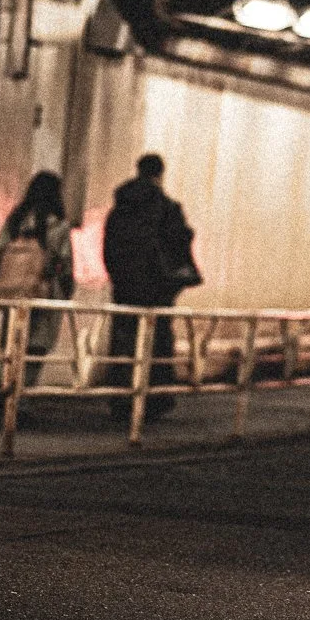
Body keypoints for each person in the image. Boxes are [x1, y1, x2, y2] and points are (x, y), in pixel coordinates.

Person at [100, 152, 198, 421]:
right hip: (158, 290)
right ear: (159, 174)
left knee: (124, 341)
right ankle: (154, 398)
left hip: (125, 287)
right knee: (158, 342)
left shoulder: (120, 210)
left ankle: (121, 397)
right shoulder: (168, 209)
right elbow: (179, 245)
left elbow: (109, 249)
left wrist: (118, 277)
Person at [0, 170, 76, 385]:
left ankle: (4, 392)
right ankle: (21, 399)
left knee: (13, 344)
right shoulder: (58, 226)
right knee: (35, 349)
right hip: (43, 293)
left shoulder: (15, 220)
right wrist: (66, 289)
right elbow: (64, 262)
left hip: (13, 291)